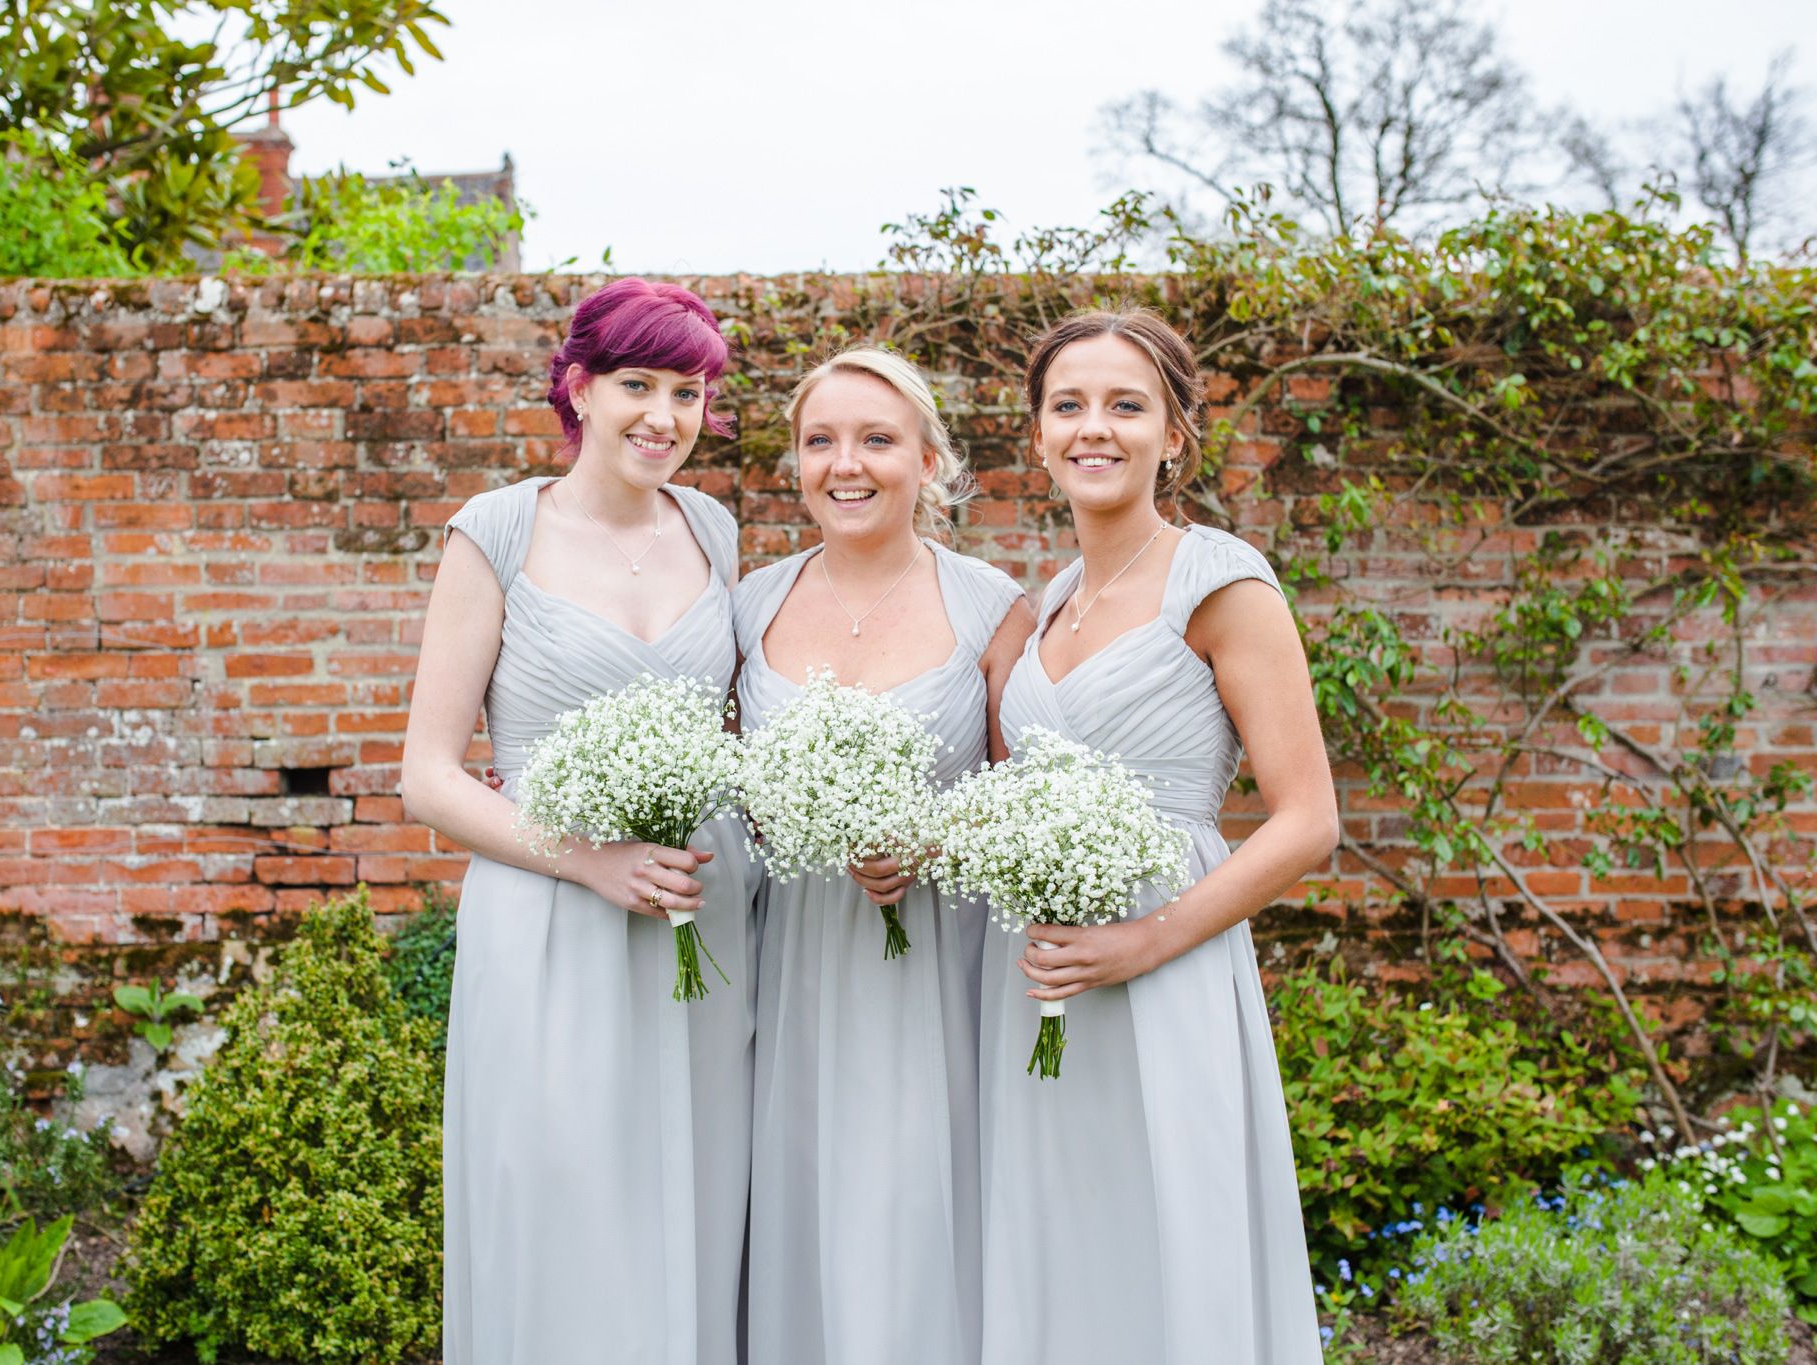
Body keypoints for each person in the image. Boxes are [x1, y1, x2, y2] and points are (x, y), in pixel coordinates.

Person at [400, 278, 757, 1365]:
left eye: (688, 393)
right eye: (637, 385)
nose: (664, 416)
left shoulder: (715, 529)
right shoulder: (498, 531)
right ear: (577, 387)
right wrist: (587, 863)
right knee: (560, 1197)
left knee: (697, 1193)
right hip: (551, 918)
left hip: (703, 914)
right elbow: (427, 776)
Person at [981, 309, 1337, 1362]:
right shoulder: (1050, 602)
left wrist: (1145, 941)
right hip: (1046, 968)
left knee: (1172, 1233)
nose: (1096, 428)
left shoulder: (1218, 583)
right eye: (1069, 407)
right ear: (1039, 435)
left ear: (1174, 435)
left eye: (1125, 406)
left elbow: (1309, 820)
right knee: (1066, 1237)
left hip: (1164, 958)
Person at [732, 347, 1033, 1365]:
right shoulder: (749, 605)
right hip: (796, 960)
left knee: (917, 1203)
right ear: (796, 463)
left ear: (928, 460)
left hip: (938, 966)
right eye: (820, 441)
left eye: (876, 439)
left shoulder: (994, 605)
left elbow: (1024, 791)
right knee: (801, 1193)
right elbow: (724, 787)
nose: (844, 464)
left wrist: (932, 840)